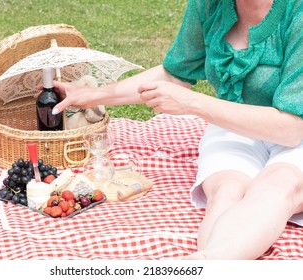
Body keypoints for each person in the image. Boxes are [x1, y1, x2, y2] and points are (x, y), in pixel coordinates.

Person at [43, 0, 303, 259]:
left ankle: (203, 265)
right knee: (227, 192)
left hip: (295, 130)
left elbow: (291, 128)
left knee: (278, 184)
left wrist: (194, 104)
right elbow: (174, 74)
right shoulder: (209, 5)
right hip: (232, 124)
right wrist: (94, 95)